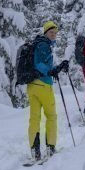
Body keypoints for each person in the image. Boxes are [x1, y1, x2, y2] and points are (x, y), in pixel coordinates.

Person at [27, 21, 69, 161]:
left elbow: (40, 63)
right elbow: (40, 64)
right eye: (51, 32)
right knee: (51, 117)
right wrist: (51, 70)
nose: (54, 35)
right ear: (45, 33)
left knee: (34, 119)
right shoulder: (44, 45)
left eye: (55, 33)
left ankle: (35, 151)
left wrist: (56, 68)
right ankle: (50, 148)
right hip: (43, 85)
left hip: (32, 86)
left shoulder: (36, 44)